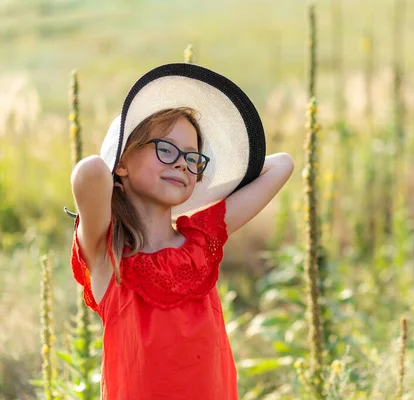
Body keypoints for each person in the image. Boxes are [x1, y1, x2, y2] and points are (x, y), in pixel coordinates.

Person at [68, 63, 294, 399]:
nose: (182, 163)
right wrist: (113, 160)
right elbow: (90, 171)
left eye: (193, 157)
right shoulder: (108, 254)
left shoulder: (201, 241)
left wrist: (222, 177)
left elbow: (282, 164)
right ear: (123, 163)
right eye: (166, 149)